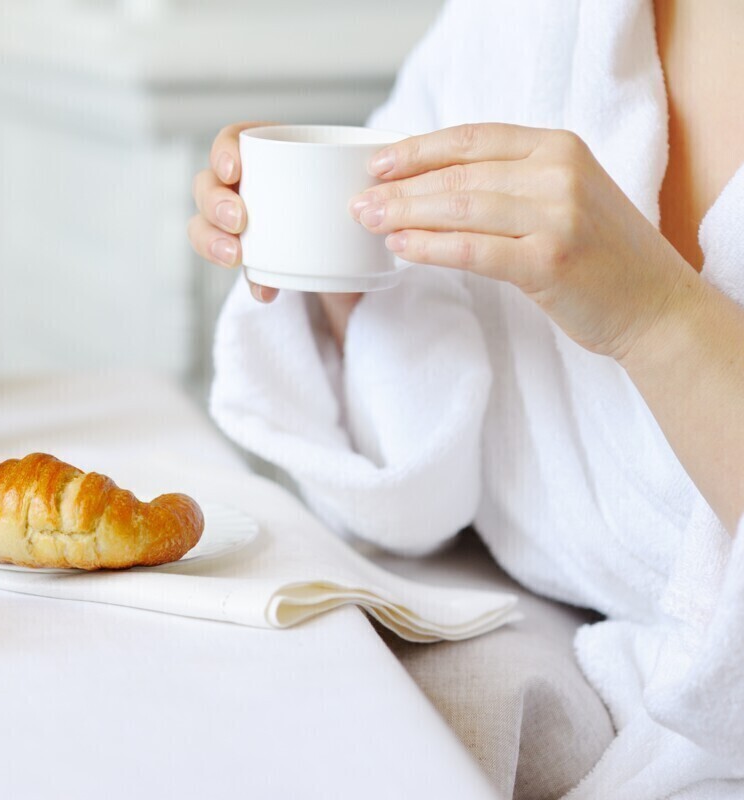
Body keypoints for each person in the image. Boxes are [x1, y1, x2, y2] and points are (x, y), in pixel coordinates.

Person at [191, 1, 744, 798]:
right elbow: (417, 488)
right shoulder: (521, 22)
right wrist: (338, 261)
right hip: (539, 656)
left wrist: (656, 318)